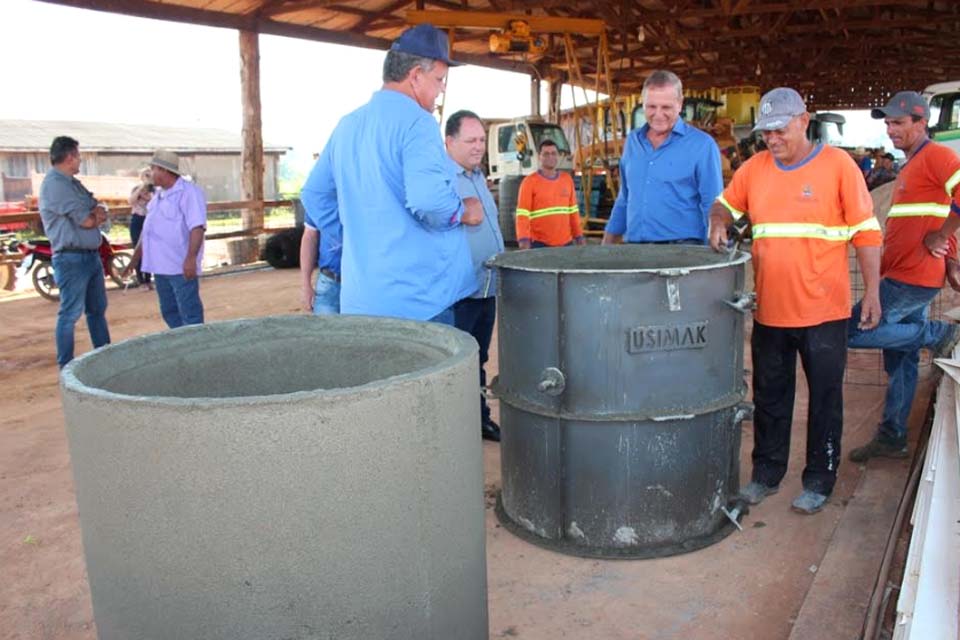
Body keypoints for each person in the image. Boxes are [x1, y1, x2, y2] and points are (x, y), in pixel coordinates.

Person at [708, 87, 883, 515]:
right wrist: (717, 219)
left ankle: (819, 480)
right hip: (770, 312)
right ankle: (766, 473)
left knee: (825, 398)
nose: (772, 139)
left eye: (780, 130)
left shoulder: (838, 166)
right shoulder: (754, 169)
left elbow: (867, 233)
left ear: (804, 121)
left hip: (825, 313)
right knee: (770, 396)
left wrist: (874, 291)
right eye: (766, 132)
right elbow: (725, 203)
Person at [306, 23, 483, 324]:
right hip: (419, 303)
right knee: (432, 372)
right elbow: (429, 202)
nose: (441, 89)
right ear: (415, 75)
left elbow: (314, 194)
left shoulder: (348, 124)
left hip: (360, 301)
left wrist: (357, 233)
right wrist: (462, 211)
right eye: (439, 79)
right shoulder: (418, 123)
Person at [847, 91, 960, 462]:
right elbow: (940, 210)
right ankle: (893, 434)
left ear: (920, 123)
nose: (890, 129)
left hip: (912, 277)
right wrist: (952, 254)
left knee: (851, 330)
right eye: (888, 123)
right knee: (901, 356)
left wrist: (943, 238)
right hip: (906, 271)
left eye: (898, 122)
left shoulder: (938, 156)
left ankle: (938, 334)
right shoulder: (911, 165)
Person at [603, 70, 723, 245]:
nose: (658, 115)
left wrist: (712, 252)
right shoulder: (632, 142)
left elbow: (713, 203)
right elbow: (625, 197)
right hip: (636, 250)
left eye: (666, 107)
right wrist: (608, 241)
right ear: (642, 104)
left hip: (682, 251)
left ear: (680, 104)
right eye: (651, 107)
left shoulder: (702, 146)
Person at [445, 109, 504, 442]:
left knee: (480, 357)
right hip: (460, 292)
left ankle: (478, 419)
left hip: (487, 288)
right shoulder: (442, 179)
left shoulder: (478, 177)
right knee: (457, 362)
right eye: (471, 140)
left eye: (482, 139)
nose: (479, 146)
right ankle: (455, 430)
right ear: (450, 141)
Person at [38, 136, 111, 368]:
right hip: (71, 257)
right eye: (78, 156)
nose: (79, 160)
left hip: (89, 255)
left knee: (97, 310)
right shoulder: (55, 185)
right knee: (70, 314)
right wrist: (95, 215)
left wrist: (96, 213)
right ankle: (65, 366)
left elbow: (97, 208)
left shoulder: (72, 183)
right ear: (70, 157)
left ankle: (106, 357)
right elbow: (88, 220)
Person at [125, 150, 206, 328]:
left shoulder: (189, 192)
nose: (150, 174)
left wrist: (191, 258)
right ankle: (180, 347)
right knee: (169, 311)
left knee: (189, 313)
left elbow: (197, 227)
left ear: (164, 170)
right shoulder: (158, 197)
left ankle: (196, 349)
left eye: (153, 169)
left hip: (180, 266)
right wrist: (134, 259)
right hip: (160, 268)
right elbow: (147, 232)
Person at [515, 140, 585, 249]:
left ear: (558, 156)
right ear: (539, 157)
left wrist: (579, 235)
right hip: (540, 244)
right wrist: (523, 239)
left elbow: (573, 211)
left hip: (566, 244)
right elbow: (522, 214)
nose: (550, 157)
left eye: (553, 153)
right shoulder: (529, 182)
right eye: (546, 154)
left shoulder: (567, 180)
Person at [299, 171, 342, 315]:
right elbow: (309, 237)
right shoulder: (320, 199)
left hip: (361, 281)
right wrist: (306, 284)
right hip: (330, 280)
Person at [128, 167, 154, 290]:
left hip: (149, 220)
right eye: (145, 175)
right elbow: (131, 201)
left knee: (149, 249)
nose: (148, 177)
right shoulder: (136, 189)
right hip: (137, 220)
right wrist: (140, 188)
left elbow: (153, 201)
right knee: (138, 249)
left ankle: (148, 279)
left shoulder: (154, 190)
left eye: (149, 175)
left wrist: (149, 190)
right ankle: (141, 280)